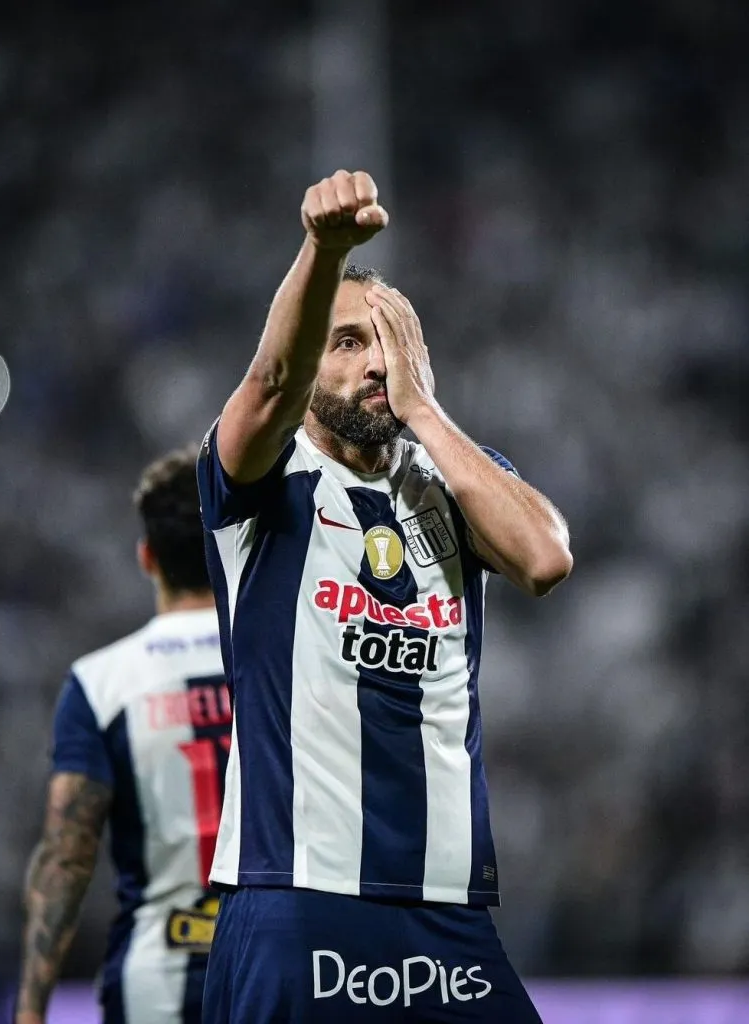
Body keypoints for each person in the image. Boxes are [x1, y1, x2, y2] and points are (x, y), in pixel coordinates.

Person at [197, 170, 573, 1023]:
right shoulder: (265, 479)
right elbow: (264, 386)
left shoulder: (451, 479)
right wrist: (324, 252)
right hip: (297, 895)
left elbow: (545, 558)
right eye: (345, 343)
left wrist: (426, 409)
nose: (373, 362)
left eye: (387, 341)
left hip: (446, 911)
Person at [16, 445, 231, 1024]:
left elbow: (67, 856)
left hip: (156, 981)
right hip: (279, 974)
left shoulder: (103, 683)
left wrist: (31, 1009)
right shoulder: (285, 662)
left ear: (146, 557)